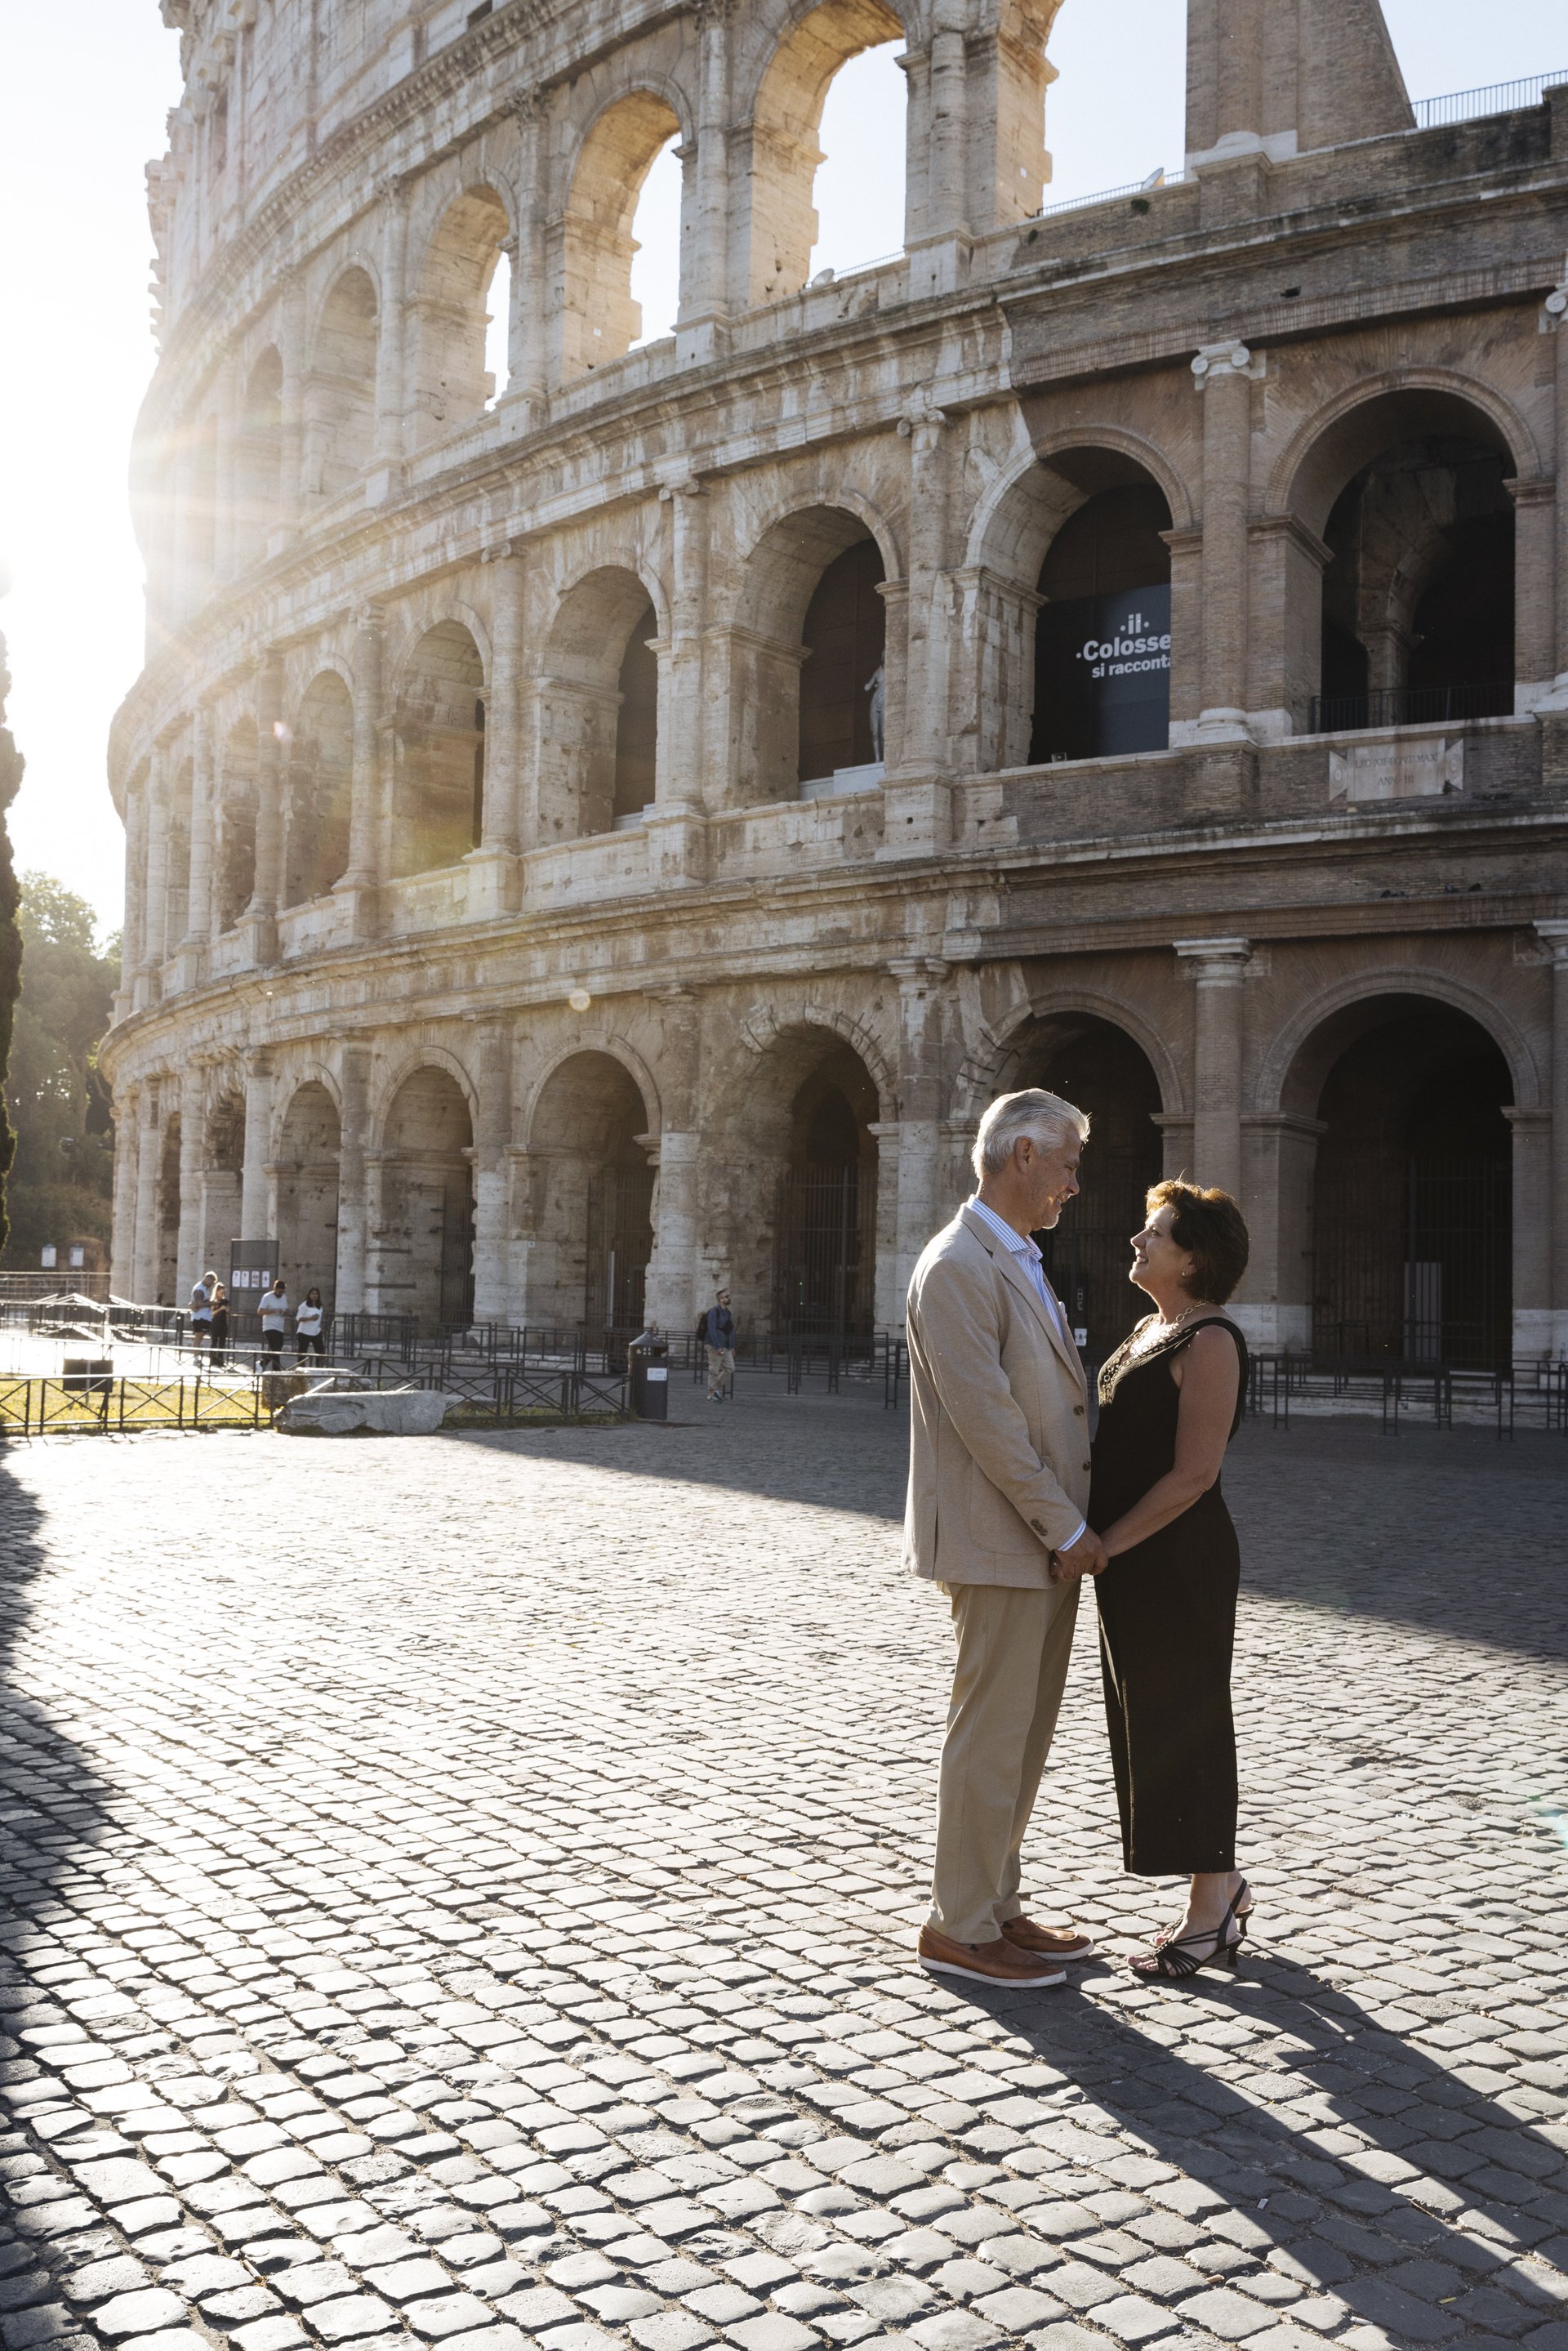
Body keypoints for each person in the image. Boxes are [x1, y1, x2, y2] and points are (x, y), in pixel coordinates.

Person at [905, 1088, 1105, 1988]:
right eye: (1065, 1164)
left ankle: (997, 1902)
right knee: (989, 1732)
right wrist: (1064, 1522)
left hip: (1039, 1542)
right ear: (1021, 1154)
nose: (1072, 1184)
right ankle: (959, 1922)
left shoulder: (1017, 1255)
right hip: (1004, 1537)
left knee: (1021, 1734)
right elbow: (985, 1419)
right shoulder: (958, 1263)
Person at [1067, 1180, 1253, 1979]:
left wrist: (1106, 1541)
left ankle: (1211, 1910)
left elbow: (1193, 1475)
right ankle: (1224, 1885)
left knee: (1192, 1719)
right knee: (1147, 1719)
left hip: (1176, 1558)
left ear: (1195, 1257)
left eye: (1156, 1233)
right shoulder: (1152, 1326)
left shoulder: (1210, 1340)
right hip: (1130, 1558)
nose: (1138, 1241)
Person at [699, 1289, 736, 1402]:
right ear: (721, 1299)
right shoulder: (714, 1312)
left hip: (727, 1346)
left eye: (728, 1296)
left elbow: (730, 1330)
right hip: (715, 1345)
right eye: (726, 1296)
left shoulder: (728, 1313)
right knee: (714, 1370)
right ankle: (711, 1395)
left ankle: (714, 1389)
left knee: (730, 1368)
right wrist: (717, 1346)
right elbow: (712, 1330)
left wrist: (732, 1346)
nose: (728, 1298)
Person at [259, 1277, 290, 1367]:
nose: (281, 1294)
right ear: (275, 1289)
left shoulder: (284, 1297)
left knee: (278, 1348)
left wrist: (286, 1312)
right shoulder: (267, 1297)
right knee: (275, 1347)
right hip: (269, 1326)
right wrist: (273, 1310)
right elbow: (260, 1312)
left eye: (283, 1292)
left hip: (280, 1326)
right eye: (279, 1292)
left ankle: (262, 1363)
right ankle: (276, 1369)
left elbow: (286, 1308)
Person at [189, 1271, 216, 1354]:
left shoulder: (203, 1288)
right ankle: (196, 1357)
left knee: (199, 1338)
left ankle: (196, 1355)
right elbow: (199, 1303)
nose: (211, 1285)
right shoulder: (199, 1289)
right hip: (200, 1317)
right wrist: (212, 1303)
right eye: (211, 1283)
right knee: (198, 1338)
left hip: (203, 1317)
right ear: (208, 1279)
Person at [296, 1287, 326, 1362]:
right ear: (309, 1295)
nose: (314, 1296)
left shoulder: (319, 1306)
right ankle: (301, 1369)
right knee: (302, 1353)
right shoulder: (304, 1305)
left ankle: (319, 1369)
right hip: (304, 1332)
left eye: (316, 1294)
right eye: (312, 1294)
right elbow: (298, 1318)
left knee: (321, 1352)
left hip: (316, 1332)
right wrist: (310, 1318)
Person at [209, 1282, 229, 1369]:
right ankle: (213, 1360)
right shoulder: (213, 1302)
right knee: (214, 1342)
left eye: (223, 1293)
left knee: (222, 1342)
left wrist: (226, 1309)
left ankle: (220, 1360)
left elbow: (228, 1311)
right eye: (221, 1293)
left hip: (223, 1323)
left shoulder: (226, 1301)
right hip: (215, 1323)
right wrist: (220, 1309)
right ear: (217, 1292)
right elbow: (211, 1313)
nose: (222, 1294)